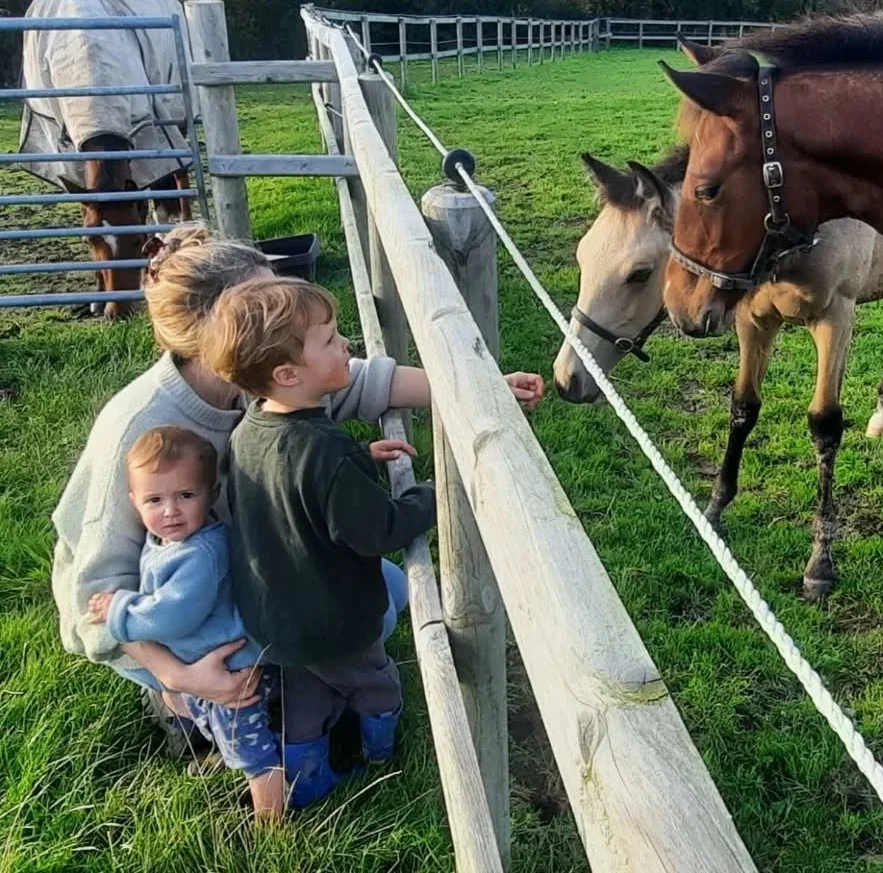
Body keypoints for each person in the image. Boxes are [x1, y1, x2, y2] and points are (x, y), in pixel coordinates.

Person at [50, 224, 544, 762]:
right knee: (354, 619)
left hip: (246, 570)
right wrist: (183, 675)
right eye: (268, 301)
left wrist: (477, 384)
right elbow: (93, 599)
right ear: (229, 329)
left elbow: (357, 382)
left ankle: (283, 688)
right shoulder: (141, 428)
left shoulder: (258, 379)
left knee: (388, 593)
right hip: (171, 614)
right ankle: (181, 704)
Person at [201, 275, 543, 807]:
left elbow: (295, 490)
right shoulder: (326, 453)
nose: (346, 347)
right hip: (336, 618)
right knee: (375, 682)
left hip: (274, 620)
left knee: (307, 697)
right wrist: (434, 496)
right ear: (289, 374)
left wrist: (360, 462)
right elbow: (376, 530)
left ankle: (307, 779)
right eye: (331, 341)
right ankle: (382, 756)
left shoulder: (250, 429)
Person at [87, 426, 283, 820]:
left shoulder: (201, 554)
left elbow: (172, 616)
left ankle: (271, 823)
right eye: (154, 499)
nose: (170, 511)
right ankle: (224, 755)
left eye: (186, 496)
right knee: (204, 717)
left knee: (253, 751)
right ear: (134, 503)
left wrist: (119, 610)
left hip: (234, 670)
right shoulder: (165, 541)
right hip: (201, 663)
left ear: (211, 494)